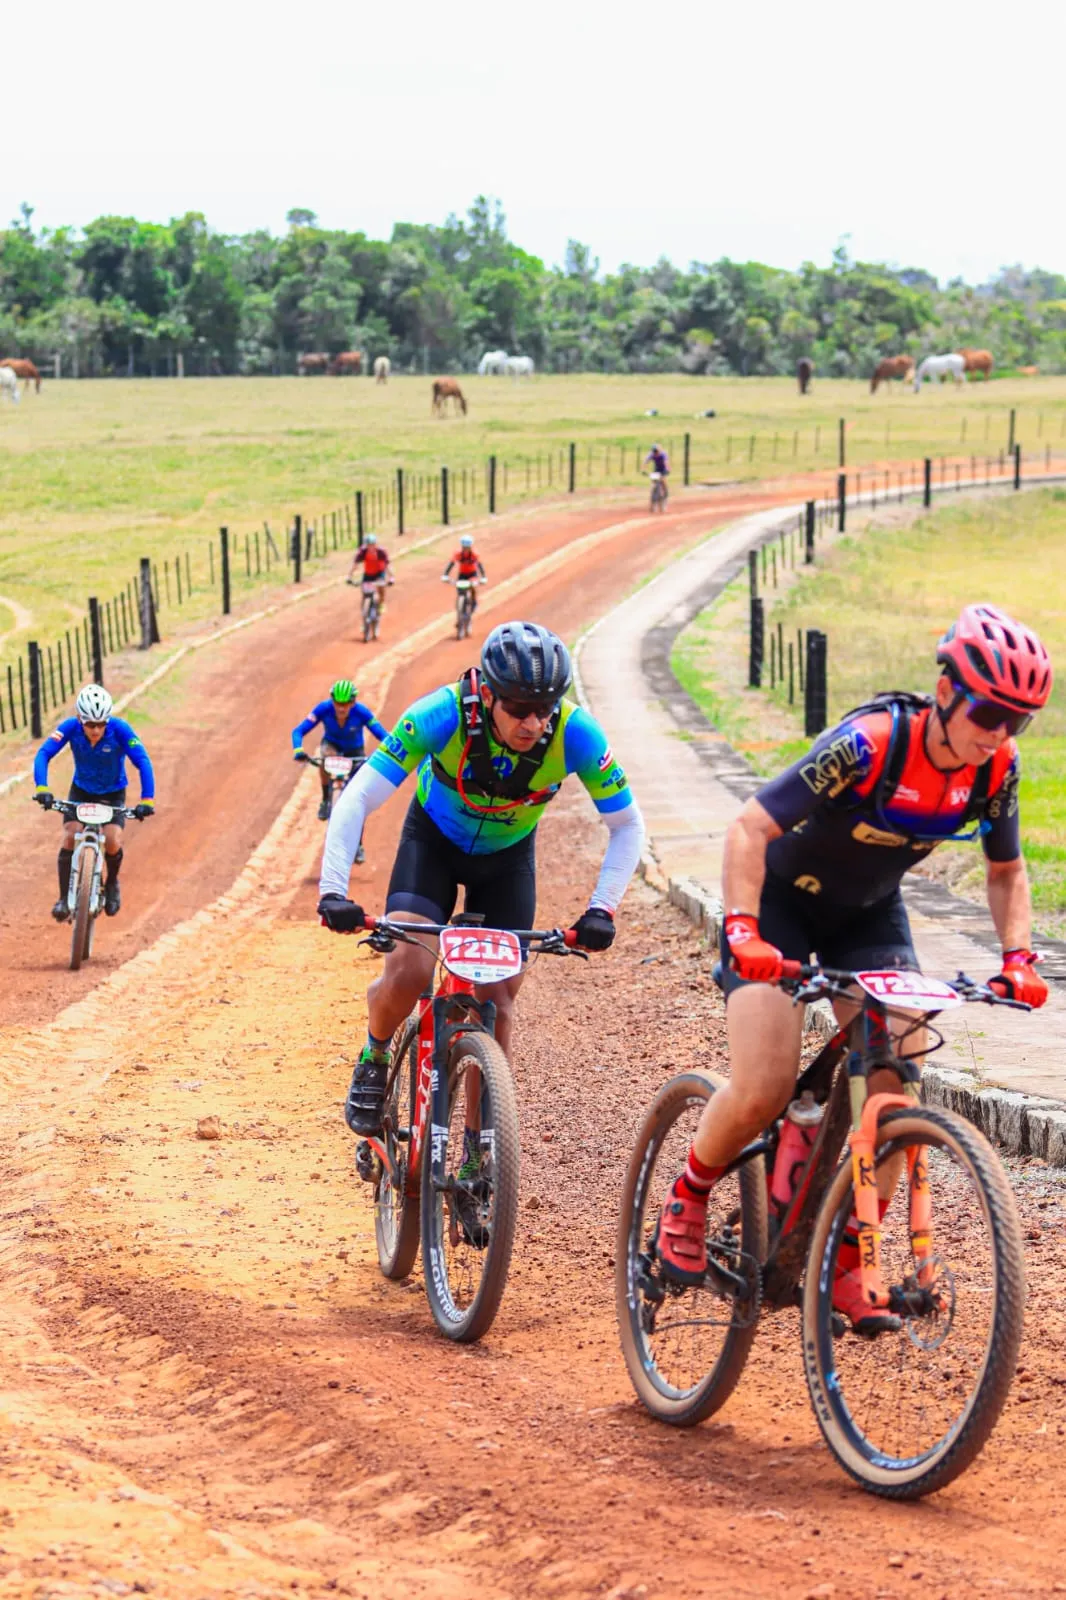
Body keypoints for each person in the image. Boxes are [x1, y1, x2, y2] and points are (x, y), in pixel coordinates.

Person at [654, 603, 1052, 1334]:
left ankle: (842, 1258)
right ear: (946, 691)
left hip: (868, 915)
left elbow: (1006, 870)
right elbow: (751, 826)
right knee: (765, 1084)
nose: (998, 732)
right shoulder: (871, 744)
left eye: (1017, 720)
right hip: (779, 908)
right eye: (991, 711)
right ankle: (689, 1193)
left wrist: (1017, 959)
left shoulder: (995, 769)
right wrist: (742, 932)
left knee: (896, 1085)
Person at [316, 620, 644, 1137]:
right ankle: (375, 1054)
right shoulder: (439, 714)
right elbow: (357, 797)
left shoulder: (578, 734)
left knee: (499, 1001)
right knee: (408, 973)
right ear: (487, 694)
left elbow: (627, 825)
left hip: (507, 863)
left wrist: (603, 908)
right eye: (517, 708)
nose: (533, 723)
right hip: (433, 847)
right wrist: (333, 890)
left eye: (545, 709)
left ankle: (481, 1149)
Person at [33, 683, 155, 921]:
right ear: (80, 719)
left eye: (101, 724)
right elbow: (44, 754)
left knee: (111, 839)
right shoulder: (69, 727)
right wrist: (42, 788)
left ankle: (111, 884)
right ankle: (63, 898)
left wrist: (147, 799)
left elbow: (142, 760)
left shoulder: (120, 729)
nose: (96, 730)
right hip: (81, 792)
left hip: (113, 794)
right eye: (90, 724)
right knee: (70, 835)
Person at [292, 679, 388, 823]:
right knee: (325, 759)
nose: (341, 709)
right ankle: (325, 800)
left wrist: (390, 750)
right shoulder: (323, 709)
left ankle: (358, 841)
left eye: (345, 704)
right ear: (332, 701)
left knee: (357, 794)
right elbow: (298, 731)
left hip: (355, 750)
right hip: (332, 745)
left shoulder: (362, 712)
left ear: (352, 703)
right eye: (337, 703)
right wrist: (298, 750)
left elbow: (381, 733)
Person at [441, 533, 487, 610]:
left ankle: (474, 602)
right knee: (459, 589)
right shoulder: (458, 553)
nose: (465, 549)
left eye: (467, 547)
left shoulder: (474, 554)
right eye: (464, 547)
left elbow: (479, 565)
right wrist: (445, 575)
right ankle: (460, 603)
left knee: (473, 587)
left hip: (472, 574)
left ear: (470, 547)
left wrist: (483, 577)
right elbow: (451, 563)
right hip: (462, 574)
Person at [349, 538, 393, 613]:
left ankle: (381, 604)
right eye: (369, 545)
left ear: (376, 544)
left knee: (381, 588)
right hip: (368, 573)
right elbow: (355, 565)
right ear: (366, 545)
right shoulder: (362, 552)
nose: (371, 547)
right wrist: (349, 576)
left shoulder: (381, 552)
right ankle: (365, 614)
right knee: (365, 592)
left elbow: (387, 566)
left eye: (373, 545)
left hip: (379, 573)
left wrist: (391, 577)